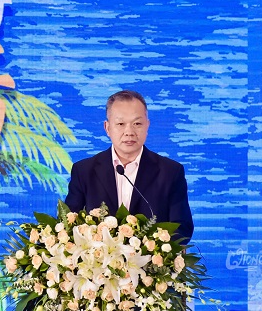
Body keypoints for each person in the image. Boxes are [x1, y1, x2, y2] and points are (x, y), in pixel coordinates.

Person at [65, 90, 194, 243]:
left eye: (137, 124)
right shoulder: (84, 171)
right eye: (120, 124)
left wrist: (152, 249)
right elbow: (69, 225)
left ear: (147, 126)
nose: (129, 132)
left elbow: (181, 228)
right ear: (107, 128)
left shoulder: (170, 172)